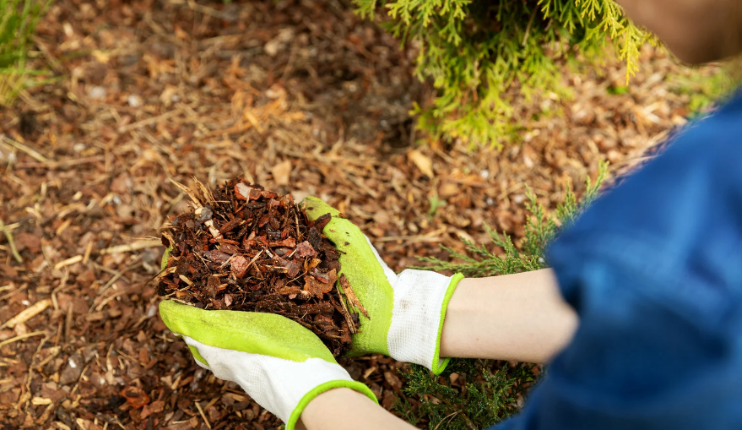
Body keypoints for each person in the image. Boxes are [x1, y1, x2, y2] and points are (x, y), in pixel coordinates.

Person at [158, 0, 742, 428]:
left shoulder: (692, 205)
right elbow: (668, 312)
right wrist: (408, 310)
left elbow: (685, 303)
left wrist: (301, 387)